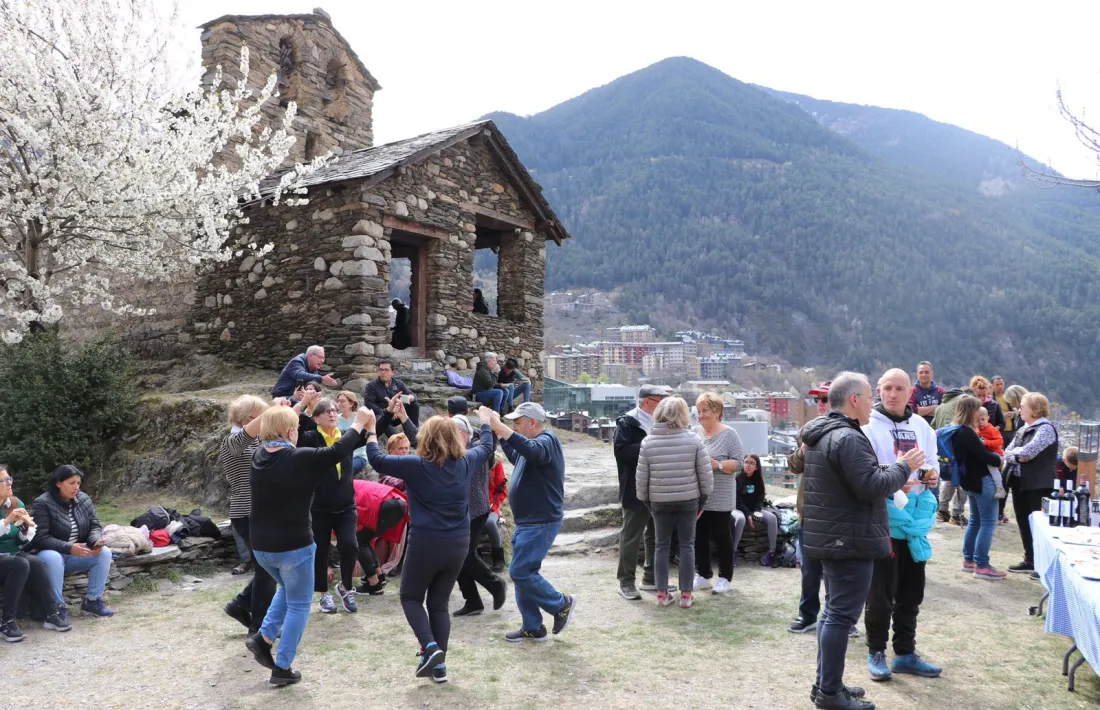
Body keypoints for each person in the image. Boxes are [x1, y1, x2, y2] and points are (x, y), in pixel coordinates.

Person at [802, 372, 924, 710]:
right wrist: (902, 467)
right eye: (871, 396)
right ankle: (829, 694)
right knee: (840, 616)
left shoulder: (825, 433)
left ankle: (826, 685)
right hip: (849, 539)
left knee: (831, 615)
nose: (874, 404)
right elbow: (871, 485)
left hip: (835, 537)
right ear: (854, 399)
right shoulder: (848, 438)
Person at [367, 409, 496, 684]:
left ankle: (430, 647)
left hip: (426, 541)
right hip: (458, 543)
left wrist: (368, 430)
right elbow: (486, 446)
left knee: (411, 597)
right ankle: (439, 668)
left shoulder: (416, 465)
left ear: (425, 440)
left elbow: (375, 458)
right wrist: (485, 422)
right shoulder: (465, 462)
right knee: (438, 604)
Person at [244, 404, 370, 686]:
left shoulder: (258, 455)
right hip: (294, 546)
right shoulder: (298, 457)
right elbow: (337, 451)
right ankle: (283, 667)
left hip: (262, 548)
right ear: (291, 431)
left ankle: (263, 638)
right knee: (300, 604)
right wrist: (359, 423)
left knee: (287, 590)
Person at [860, 368, 943, 682]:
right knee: (880, 593)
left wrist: (928, 477)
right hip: (883, 520)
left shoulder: (922, 425)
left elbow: (931, 463)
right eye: (887, 388)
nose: (893, 394)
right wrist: (894, 479)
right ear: (879, 390)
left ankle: (905, 653)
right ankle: (876, 651)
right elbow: (864, 471)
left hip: (915, 522)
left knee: (912, 592)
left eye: (900, 389)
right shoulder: (867, 425)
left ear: (911, 392)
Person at [486, 402, 575, 641]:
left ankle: (560, 604)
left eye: (517, 422)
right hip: (529, 521)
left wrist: (502, 429)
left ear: (533, 423)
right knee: (524, 571)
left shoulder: (547, 441)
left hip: (541, 520)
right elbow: (519, 454)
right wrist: (500, 433)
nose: (514, 426)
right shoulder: (532, 444)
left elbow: (532, 451)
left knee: (520, 571)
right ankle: (533, 626)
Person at [636, 396, 713, 609]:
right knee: (687, 545)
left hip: (659, 501)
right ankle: (686, 595)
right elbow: (705, 476)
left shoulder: (648, 442)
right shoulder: (693, 439)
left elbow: (641, 479)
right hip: (688, 499)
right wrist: (703, 501)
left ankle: (662, 594)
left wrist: (648, 503)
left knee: (661, 545)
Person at [222, 394, 283, 636]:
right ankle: (258, 625)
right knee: (266, 569)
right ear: (249, 418)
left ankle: (240, 605)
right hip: (246, 512)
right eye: (262, 415)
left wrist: (297, 406)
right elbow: (244, 438)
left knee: (267, 568)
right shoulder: (232, 440)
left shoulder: (257, 441)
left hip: (261, 512)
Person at [298, 397, 361, 615]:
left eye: (334, 410)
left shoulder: (344, 437)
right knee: (320, 550)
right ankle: (323, 594)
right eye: (326, 411)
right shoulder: (309, 438)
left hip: (346, 504)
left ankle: (345, 587)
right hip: (320, 506)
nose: (332, 413)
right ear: (316, 418)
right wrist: (302, 403)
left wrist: (390, 413)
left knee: (350, 545)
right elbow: (293, 428)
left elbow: (373, 428)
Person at [788, 381, 842, 635]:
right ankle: (807, 615)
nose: (820, 404)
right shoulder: (806, 431)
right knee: (809, 571)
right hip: (809, 513)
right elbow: (793, 466)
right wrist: (802, 452)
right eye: (817, 400)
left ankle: (842, 619)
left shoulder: (851, 431)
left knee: (837, 573)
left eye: (824, 399)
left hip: (839, 515)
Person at [32, 465, 115, 619]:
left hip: (76, 552)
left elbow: (94, 525)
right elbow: (40, 538)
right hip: (51, 554)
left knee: (105, 553)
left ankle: (92, 602)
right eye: (71, 483)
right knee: (53, 557)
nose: (76, 487)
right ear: (58, 483)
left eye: (78, 483)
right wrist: (69, 548)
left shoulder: (84, 499)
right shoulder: (42, 503)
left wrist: (95, 541)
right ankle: (57, 607)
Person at [614, 384, 671, 600]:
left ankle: (652, 578)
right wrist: (650, 445)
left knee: (657, 536)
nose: (664, 406)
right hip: (635, 489)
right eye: (660, 401)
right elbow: (621, 453)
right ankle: (626, 581)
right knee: (631, 536)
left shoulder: (666, 423)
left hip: (661, 489)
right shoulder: (627, 422)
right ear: (646, 401)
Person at [0, 468, 68, 640]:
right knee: (20, 564)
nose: (10, 483)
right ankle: (7, 622)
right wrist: (7, 521)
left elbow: (21, 542)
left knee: (35, 562)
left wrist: (24, 531)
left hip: (12, 554)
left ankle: (51, 614)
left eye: (9, 478)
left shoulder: (15, 503)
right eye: (4, 481)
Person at [451, 415, 508, 617]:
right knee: (458, 556)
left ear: (465, 433)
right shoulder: (458, 448)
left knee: (464, 555)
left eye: (454, 432)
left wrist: (485, 421)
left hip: (476, 510)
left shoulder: (475, 449)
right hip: (463, 512)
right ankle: (473, 601)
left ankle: (496, 585)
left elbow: (488, 442)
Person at [949, 395, 1006, 580]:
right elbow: (985, 456)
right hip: (983, 480)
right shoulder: (968, 433)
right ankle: (982, 564)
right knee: (988, 523)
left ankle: (969, 560)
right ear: (972, 411)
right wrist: (999, 459)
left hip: (969, 482)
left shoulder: (956, 430)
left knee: (975, 521)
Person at [692, 392, 743, 591]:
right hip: (699, 495)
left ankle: (725, 578)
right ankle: (703, 574)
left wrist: (718, 465)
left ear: (717, 412)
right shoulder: (695, 432)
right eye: (698, 411)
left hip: (721, 495)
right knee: (699, 536)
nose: (700, 415)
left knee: (722, 537)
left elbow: (739, 463)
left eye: (705, 410)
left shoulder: (730, 434)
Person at [1004, 392, 1058, 574]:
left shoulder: (1045, 429)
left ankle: (1043, 565)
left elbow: (1028, 453)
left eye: (1023, 406)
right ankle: (1030, 559)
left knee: (1039, 524)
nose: (1019, 410)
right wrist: (1018, 455)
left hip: (1038, 484)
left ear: (1034, 410)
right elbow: (1008, 452)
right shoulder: (1022, 429)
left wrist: (1017, 455)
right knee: (1023, 521)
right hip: (1020, 482)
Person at [352, 478, 408, 596]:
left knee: (358, 541)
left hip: (384, 503)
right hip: (396, 500)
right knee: (364, 539)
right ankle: (378, 576)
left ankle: (374, 584)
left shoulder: (334, 490)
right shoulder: (345, 482)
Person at [932, 386, 969, 525]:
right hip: (957, 446)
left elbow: (933, 425)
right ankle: (957, 514)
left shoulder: (941, 406)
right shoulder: (962, 401)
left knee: (949, 479)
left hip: (944, 449)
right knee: (963, 480)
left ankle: (942, 510)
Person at [736, 454, 779, 566]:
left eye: (751, 463)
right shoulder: (737, 478)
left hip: (754, 510)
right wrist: (748, 514)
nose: (748, 465)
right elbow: (737, 500)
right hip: (740, 510)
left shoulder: (758, 480)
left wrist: (756, 511)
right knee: (740, 520)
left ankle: (771, 552)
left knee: (772, 518)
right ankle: (733, 552)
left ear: (756, 467)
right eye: (746, 462)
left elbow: (760, 499)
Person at [998, 384, 1029, 522]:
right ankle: (999, 512)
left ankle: (999, 513)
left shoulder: (1023, 418)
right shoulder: (1020, 416)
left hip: (1018, 461)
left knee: (1005, 482)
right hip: (1014, 457)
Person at [364, 360, 420, 431]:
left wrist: (409, 398)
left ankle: (414, 433)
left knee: (414, 405)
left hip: (397, 415)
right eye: (381, 370)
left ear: (392, 372)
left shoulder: (398, 384)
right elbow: (369, 404)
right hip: (382, 414)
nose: (383, 372)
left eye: (386, 370)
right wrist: (388, 412)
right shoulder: (371, 385)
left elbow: (412, 395)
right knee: (381, 418)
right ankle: (394, 438)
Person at [271, 345, 338, 398]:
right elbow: (299, 375)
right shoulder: (297, 361)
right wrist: (322, 378)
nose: (322, 361)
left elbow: (312, 385)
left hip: (297, 397)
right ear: (311, 355)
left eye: (323, 358)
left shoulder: (313, 368)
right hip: (282, 396)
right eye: (320, 357)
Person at [976, 407, 1006, 499]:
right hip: (987, 454)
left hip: (996, 453)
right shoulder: (977, 429)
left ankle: (1000, 488)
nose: (980, 422)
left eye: (983, 419)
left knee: (991, 467)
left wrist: (986, 442)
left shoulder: (991, 429)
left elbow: (1000, 441)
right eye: (977, 420)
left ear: (988, 418)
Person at [336, 390, 369, 474]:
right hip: (340, 455)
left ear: (351, 404)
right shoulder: (335, 419)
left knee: (344, 471)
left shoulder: (360, 418)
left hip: (358, 456)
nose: (339, 403)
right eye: (338, 401)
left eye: (342, 401)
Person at [486, 453, 508, 573]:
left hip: (491, 506)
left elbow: (501, 489)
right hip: (470, 505)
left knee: (489, 523)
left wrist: (493, 505)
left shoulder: (496, 462)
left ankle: (498, 558)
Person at [991, 376, 1015, 445]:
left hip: (1011, 430)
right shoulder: (991, 400)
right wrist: (1002, 415)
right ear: (992, 386)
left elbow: (1016, 408)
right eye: (997, 384)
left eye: (1001, 384)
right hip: (1000, 431)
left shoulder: (1008, 397)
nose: (1000, 386)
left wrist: (1013, 413)